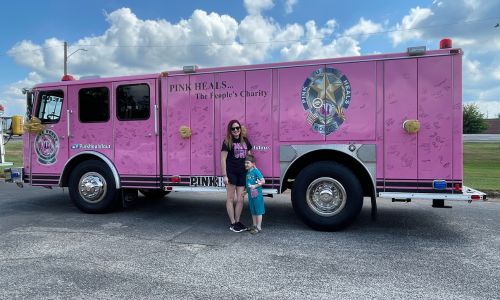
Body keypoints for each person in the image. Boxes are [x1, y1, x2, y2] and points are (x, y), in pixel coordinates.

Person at [221, 120, 252, 232]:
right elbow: (223, 159)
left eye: (237, 128)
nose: (235, 130)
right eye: (233, 128)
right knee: (230, 198)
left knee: (240, 199)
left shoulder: (245, 141)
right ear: (230, 130)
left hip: (242, 173)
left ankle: (238, 222)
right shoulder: (227, 141)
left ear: (240, 128)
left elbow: (249, 158)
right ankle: (233, 223)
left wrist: (251, 171)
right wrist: (225, 175)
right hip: (231, 173)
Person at [244, 155, 266, 234]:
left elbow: (263, 181)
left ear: (253, 164)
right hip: (251, 195)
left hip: (257, 194)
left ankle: (258, 227)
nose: (246, 164)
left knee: (258, 210)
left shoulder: (256, 171)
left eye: (248, 163)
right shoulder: (248, 173)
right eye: (245, 163)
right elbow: (248, 184)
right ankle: (254, 225)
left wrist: (255, 186)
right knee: (253, 210)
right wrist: (246, 191)